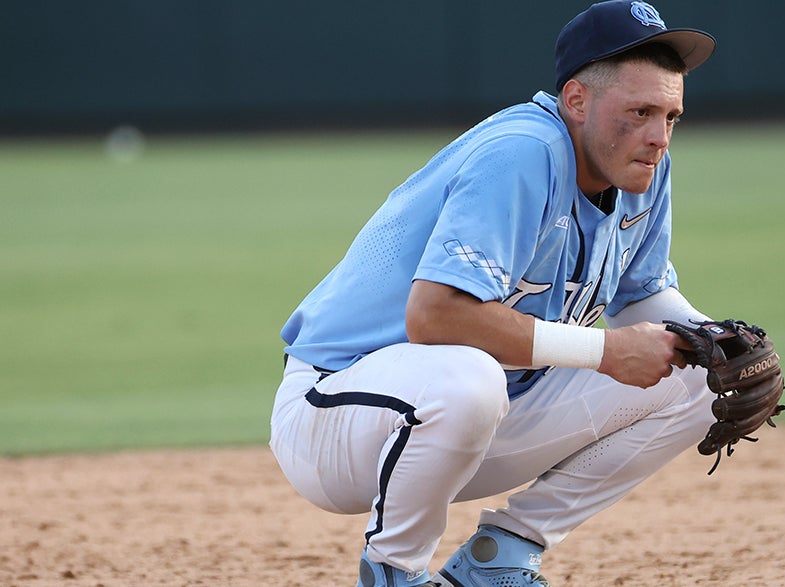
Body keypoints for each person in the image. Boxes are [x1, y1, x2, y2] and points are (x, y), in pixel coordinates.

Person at [269, 2, 721, 585]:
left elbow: (641, 299)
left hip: (478, 418)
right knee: (468, 378)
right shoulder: (523, 151)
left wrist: (718, 340)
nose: (659, 137)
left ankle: (500, 557)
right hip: (337, 416)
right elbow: (435, 317)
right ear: (576, 101)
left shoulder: (640, 167)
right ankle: (395, 571)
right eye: (639, 112)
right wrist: (606, 352)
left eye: (671, 116)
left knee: (706, 373)